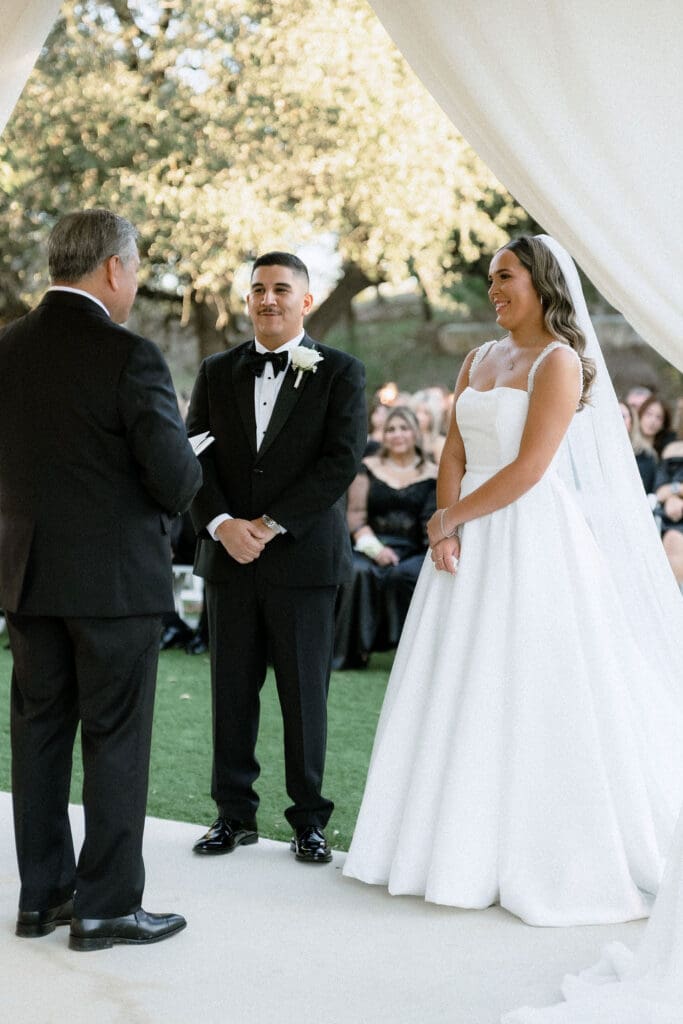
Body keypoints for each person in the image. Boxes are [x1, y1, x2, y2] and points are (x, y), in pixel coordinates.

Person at [343, 235, 683, 927]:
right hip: (465, 532)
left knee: (531, 682)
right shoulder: (477, 358)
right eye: (489, 277)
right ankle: (444, 846)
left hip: (529, 536)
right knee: (458, 680)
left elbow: (530, 468)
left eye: (504, 277)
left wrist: (450, 521)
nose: (492, 289)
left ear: (540, 283)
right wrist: (448, 520)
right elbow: (456, 450)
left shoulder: (559, 362)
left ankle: (539, 855)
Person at [0, 209, 202, 950]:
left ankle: (42, 898)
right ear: (114, 268)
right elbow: (176, 481)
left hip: (27, 578)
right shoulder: (131, 356)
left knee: (40, 737)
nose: (136, 281)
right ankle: (107, 907)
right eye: (137, 267)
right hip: (114, 586)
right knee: (115, 740)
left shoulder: (6, 348)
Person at [186, 251, 366, 864]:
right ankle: (232, 816)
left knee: (303, 697)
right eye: (258, 289)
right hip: (228, 561)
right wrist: (219, 525)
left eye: (281, 289)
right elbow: (193, 458)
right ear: (247, 301)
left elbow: (339, 463)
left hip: (304, 563)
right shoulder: (216, 371)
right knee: (230, 694)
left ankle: (309, 820)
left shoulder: (341, 372)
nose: (268, 299)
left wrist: (265, 525)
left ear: (306, 301)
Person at [333, 406, 437, 669]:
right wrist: (375, 549)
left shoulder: (434, 472)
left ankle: (412, 658)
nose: (397, 435)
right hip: (371, 543)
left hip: (415, 549)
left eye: (404, 428)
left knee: (409, 574)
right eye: (391, 429)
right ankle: (352, 653)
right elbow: (355, 516)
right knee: (357, 571)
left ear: (415, 433)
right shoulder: (367, 468)